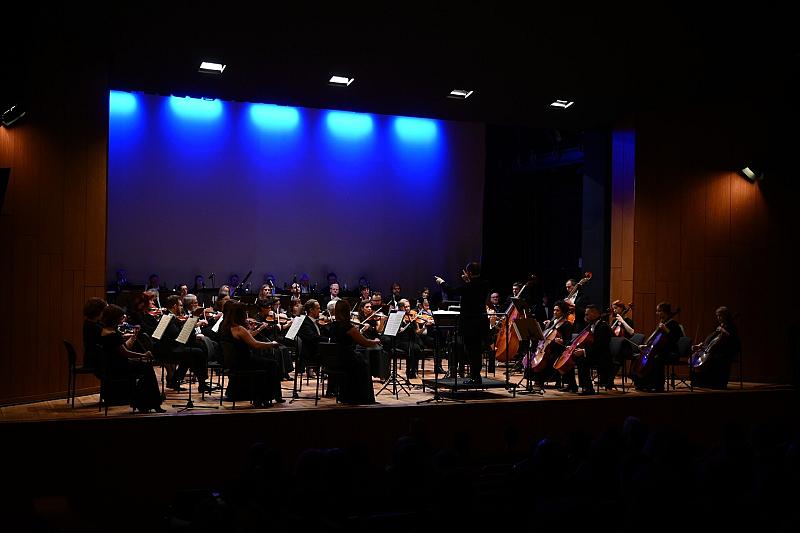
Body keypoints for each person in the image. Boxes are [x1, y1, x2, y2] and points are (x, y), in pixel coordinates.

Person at [98, 304, 164, 412]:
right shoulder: (112, 335)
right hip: (117, 367)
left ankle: (144, 404)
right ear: (115, 318)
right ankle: (151, 404)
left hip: (115, 364)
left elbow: (124, 348)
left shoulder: (106, 330)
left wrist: (134, 336)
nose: (123, 318)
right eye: (121, 317)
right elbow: (126, 353)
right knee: (147, 369)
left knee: (145, 369)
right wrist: (144, 355)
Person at [218, 301, 284, 406]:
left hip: (233, 362)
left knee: (266, 362)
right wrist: (272, 344)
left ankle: (264, 397)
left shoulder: (225, 327)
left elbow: (246, 337)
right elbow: (255, 344)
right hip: (244, 362)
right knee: (272, 364)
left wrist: (252, 329)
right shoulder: (239, 328)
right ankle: (267, 397)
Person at [435, 262, 489, 385]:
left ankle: (475, 378)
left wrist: (441, 282)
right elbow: (473, 290)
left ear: (469, 272)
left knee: (471, 351)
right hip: (481, 323)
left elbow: (452, 290)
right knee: (477, 351)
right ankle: (476, 376)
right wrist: (468, 281)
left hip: (470, 323)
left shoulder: (467, 287)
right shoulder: (484, 284)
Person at [329, 300, 381, 404]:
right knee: (364, 364)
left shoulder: (333, 326)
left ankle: (346, 396)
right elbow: (364, 342)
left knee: (361, 359)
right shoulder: (348, 327)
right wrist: (376, 341)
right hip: (347, 359)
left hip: (335, 359)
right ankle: (363, 398)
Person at [634, 302, 682, 392]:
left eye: (659, 311)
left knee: (656, 359)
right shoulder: (662, 323)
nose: (657, 313)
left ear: (665, 311)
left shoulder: (673, 324)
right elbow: (656, 340)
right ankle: (642, 383)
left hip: (670, 351)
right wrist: (646, 345)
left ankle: (657, 385)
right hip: (659, 350)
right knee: (638, 358)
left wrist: (666, 329)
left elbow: (675, 339)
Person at [692, 306, 741, 389]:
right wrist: (701, 345)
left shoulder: (731, 327)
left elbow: (733, 339)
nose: (719, 318)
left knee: (713, 359)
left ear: (726, 316)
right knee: (708, 358)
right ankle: (707, 382)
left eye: (720, 316)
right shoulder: (720, 327)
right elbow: (711, 340)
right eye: (717, 316)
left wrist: (723, 330)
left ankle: (717, 383)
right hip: (717, 352)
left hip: (727, 352)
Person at [572, 304, 613, 394]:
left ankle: (588, 388)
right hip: (594, 354)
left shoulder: (603, 327)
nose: (585, 317)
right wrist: (575, 347)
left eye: (587, 314)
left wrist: (583, 351)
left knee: (582, 361)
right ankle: (573, 385)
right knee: (574, 358)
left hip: (602, 356)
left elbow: (600, 346)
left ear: (595, 314)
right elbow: (588, 343)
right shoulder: (591, 326)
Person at [82, 297, 108, 373]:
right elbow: (109, 337)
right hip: (95, 360)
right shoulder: (94, 326)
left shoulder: (89, 323)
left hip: (91, 358)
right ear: (99, 312)